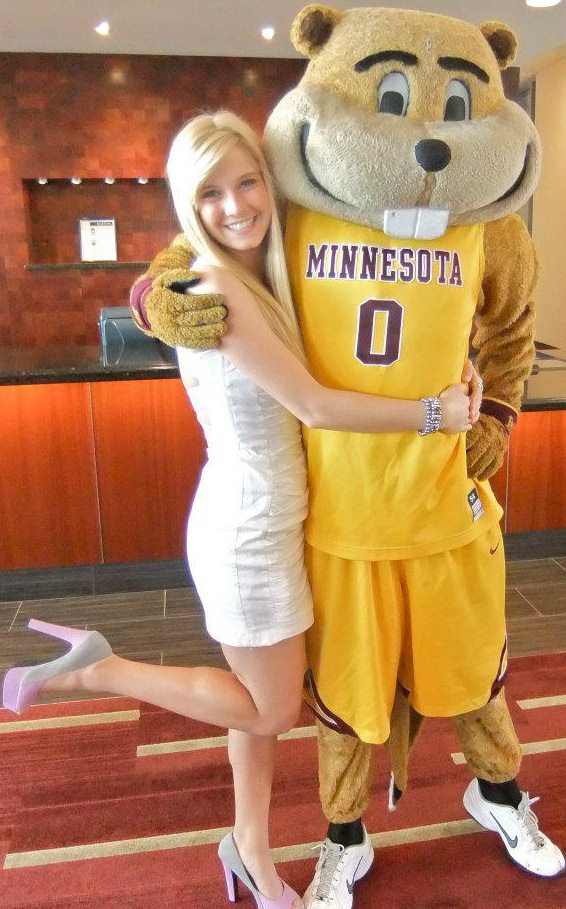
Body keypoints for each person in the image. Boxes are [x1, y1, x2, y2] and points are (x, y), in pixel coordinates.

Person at [2, 112, 479, 909]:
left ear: (269, 178)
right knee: (271, 706)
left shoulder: (263, 272)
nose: (234, 205)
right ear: (188, 206)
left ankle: (249, 847)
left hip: (270, 519)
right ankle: (98, 666)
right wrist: (435, 413)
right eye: (210, 193)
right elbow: (314, 404)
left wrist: (448, 358)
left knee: (252, 705)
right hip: (246, 530)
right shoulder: (215, 285)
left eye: (247, 181)